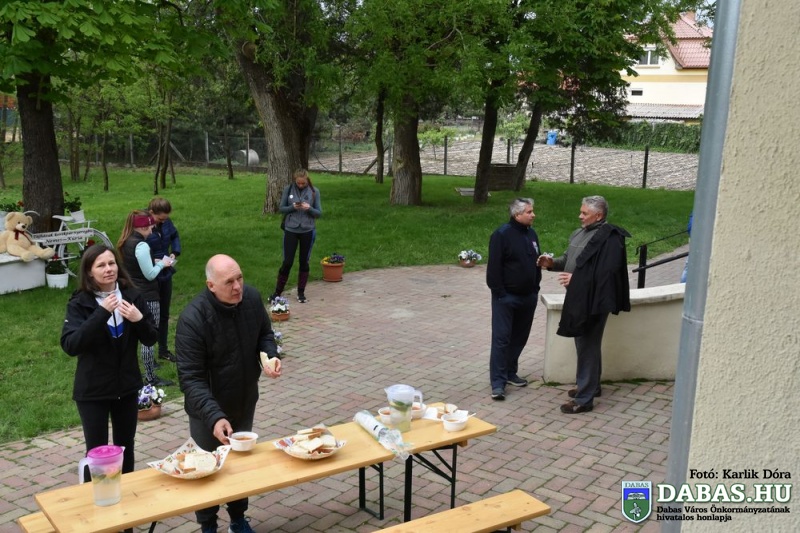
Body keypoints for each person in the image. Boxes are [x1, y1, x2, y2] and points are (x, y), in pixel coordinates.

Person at [176, 254, 282, 533]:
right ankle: (208, 526)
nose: (237, 287)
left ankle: (238, 519)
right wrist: (214, 417)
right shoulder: (193, 319)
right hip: (206, 410)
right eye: (229, 282)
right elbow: (191, 379)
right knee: (206, 470)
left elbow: (265, 333)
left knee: (239, 466)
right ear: (210, 285)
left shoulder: (251, 299)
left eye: (240, 278)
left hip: (244, 400)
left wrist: (269, 356)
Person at [60, 244, 158, 478]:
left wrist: (138, 319)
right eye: (101, 265)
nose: (108, 269)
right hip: (93, 390)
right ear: (89, 271)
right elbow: (71, 345)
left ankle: (127, 493)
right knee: (96, 452)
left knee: (126, 447)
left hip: (126, 387)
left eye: (112, 263)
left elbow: (151, 338)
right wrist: (101, 313)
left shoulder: (132, 296)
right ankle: (95, 495)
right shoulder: (80, 302)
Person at [537, 196, 631, 414]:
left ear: (598, 215)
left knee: (587, 345)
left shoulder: (610, 238)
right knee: (586, 344)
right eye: (581, 212)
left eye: (584, 213)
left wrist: (577, 280)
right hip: (579, 297)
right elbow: (569, 260)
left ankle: (584, 399)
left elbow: (608, 273)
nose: (580, 216)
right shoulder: (579, 233)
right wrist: (551, 264)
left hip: (595, 300)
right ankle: (591, 386)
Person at [486, 198, 542, 401]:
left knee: (519, 337)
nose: (533, 215)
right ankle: (498, 383)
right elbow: (494, 268)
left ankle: (510, 372)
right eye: (529, 212)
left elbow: (536, 262)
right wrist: (501, 293)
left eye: (532, 211)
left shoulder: (532, 234)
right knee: (502, 339)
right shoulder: (501, 235)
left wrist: (535, 288)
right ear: (517, 215)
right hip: (506, 298)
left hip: (528, 297)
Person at [117, 209, 175, 386]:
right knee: (149, 336)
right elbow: (150, 275)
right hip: (147, 295)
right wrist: (162, 264)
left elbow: (135, 265)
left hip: (131, 294)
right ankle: (150, 377)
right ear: (142, 227)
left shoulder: (125, 242)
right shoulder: (142, 245)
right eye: (150, 227)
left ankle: (130, 373)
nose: (151, 230)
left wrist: (154, 262)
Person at [270, 168, 322, 304]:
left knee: (304, 262)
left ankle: (301, 292)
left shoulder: (314, 191)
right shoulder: (288, 189)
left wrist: (309, 208)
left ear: (307, 180)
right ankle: (277, 292)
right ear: (295, 180)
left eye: (303, 183)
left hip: (307, 230)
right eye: (298, 183)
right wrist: (292, 207)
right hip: (291, 229)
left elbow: (319, 213)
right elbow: (281, 208)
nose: (300, 185)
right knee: (287, 262)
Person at [146, 197, 182, 362]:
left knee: (164, 314)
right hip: (150, 275)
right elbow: (136, 248)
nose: (163, 221)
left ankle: (163, 350)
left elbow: (174, 235)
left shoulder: (167, 222)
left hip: (165, 272)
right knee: (150, 315)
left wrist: (174, 252)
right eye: (160, 219)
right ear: (151, 213)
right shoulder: (142, 226)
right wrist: (151, 260)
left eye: (165, 218)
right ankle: (149, 354)